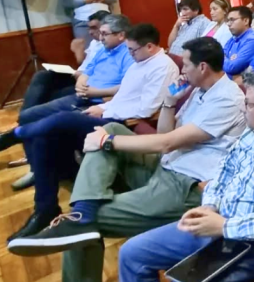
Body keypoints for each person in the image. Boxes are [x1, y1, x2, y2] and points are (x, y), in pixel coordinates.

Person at [7, 37, 247, 282]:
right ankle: (84, 209)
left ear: (203, 67)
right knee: (110, 127)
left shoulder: (227, 99)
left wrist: (107, 143)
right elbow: (164, 134)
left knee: (82, 227)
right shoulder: (199, 91)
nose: (182, 70)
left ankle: (83, 216)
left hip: (184, 186)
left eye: (186, 64)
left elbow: (167, 142)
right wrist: (169, 101)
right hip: (165, 165)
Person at [118, 69, 254, 282]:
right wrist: (210, 205)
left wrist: (224, 226)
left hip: (253, 242)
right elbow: (224, 171)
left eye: (248, 103)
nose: (243, 109)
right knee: (132, 254)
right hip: (217, 222)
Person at [3, 24, 179, 240]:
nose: (130, 54)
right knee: (44, 136)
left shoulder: (163, 67)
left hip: (122, 122)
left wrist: (105, 111)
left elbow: (147, 108)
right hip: (108, 111)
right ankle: (44, 209)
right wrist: (101, 107)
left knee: (61, 119)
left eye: (133, 50)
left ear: (150, 46)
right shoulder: (139, 62)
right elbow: (122, 96)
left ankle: (17, 134)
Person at [8, 10, 110, 192]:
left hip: (90, 89)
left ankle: (22, 133)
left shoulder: (116, 48)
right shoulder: (96, 44)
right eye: (91, 29)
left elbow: (101, 77)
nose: (93, 33)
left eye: (96, 29)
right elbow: (84, 66)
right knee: (42, 76)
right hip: (82, 82)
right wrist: (78, 56)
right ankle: (24, 125)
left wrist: (83, 78)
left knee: (46, 103)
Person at [0, 15, 134, 134]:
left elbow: (128, 87)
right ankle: (16, 134)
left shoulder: (129, 54)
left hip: (98, 102)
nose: (101, 38)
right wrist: (81, 81)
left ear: (121, 35)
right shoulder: (103, 49)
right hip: (81, 96)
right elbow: (87, 71)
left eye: (105, 34)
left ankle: (14, 136)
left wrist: (95, 92)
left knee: (45, 124)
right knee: (26, 116)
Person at [222, 6, 254, 77]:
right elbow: (219, 56)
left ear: (246, 21)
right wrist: (225, 59)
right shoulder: (233, 38)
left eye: (232, 20)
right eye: (228, 20)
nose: (228, 24)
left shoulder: (252, 40)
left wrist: (223, 58)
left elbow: (232, 67)